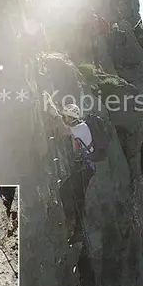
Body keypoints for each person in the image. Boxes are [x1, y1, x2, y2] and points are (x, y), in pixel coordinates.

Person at [50, 103, 96, 245]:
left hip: (85, 168)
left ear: (72, 118)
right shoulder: (79, 126)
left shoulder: (82, 128)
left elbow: (64, 131)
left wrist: (56, 116)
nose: (65, 119)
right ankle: (77, 231)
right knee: (78, 198)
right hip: (84, 168)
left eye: (66, 117)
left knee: (66, 191)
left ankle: (71, 224)